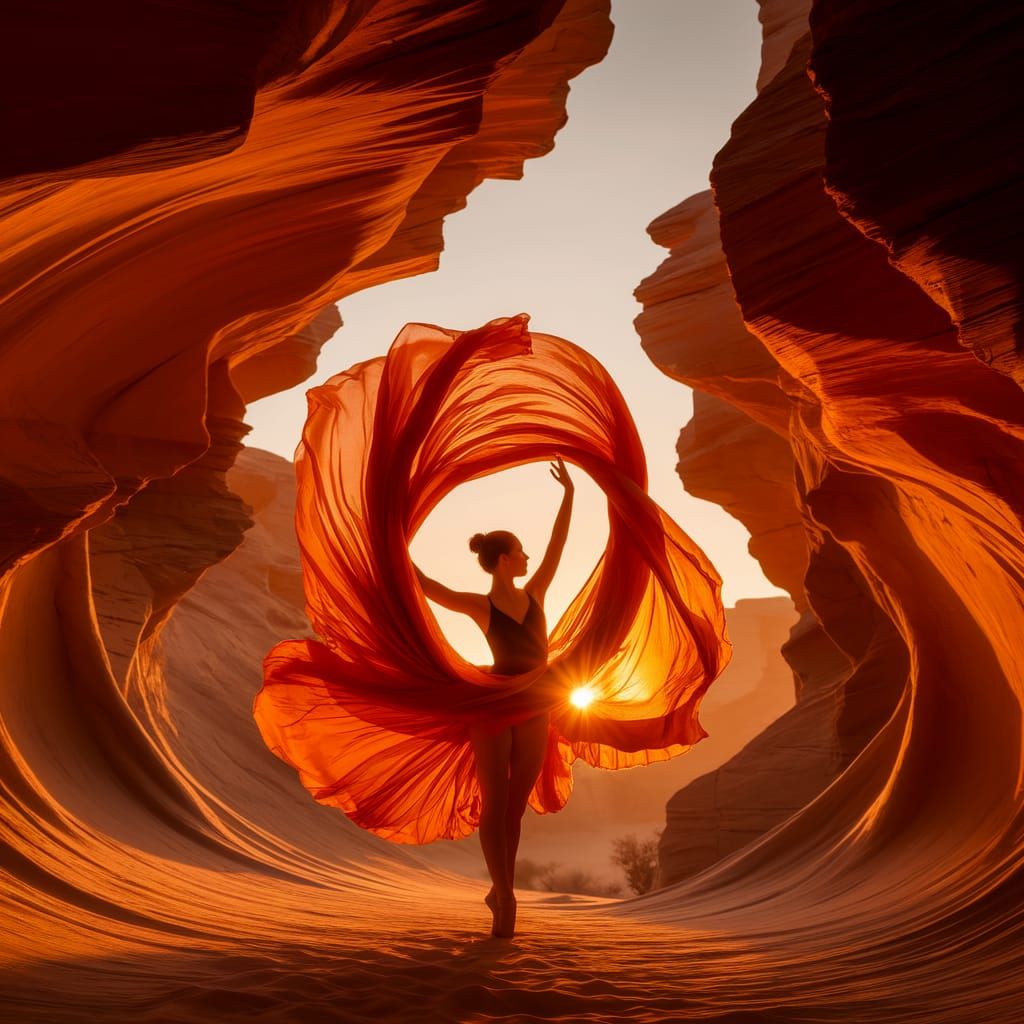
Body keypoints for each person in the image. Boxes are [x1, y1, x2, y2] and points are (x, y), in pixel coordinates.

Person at [413, 456, 574, 938]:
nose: (528, 559)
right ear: (504, 559)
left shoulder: (537, 594)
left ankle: (500, 888)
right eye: (520, 553)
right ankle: (505, 896)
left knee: (514, 808)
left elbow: (558, 545)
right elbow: (425, 587)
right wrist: (389, 537)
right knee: (495, 802)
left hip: (538, 702)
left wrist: (568, 496)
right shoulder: (480, 605)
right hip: (494, 703)